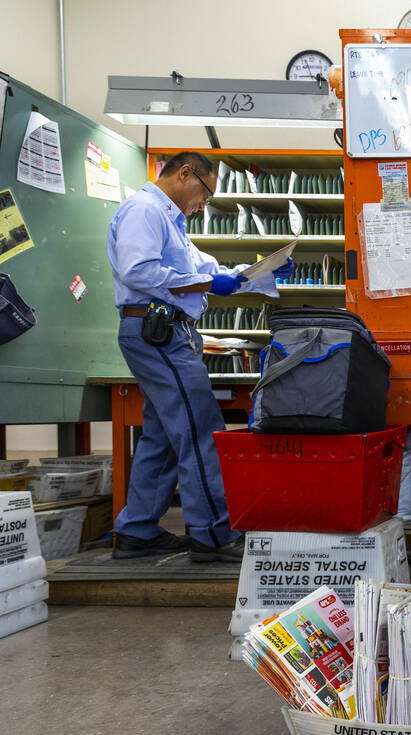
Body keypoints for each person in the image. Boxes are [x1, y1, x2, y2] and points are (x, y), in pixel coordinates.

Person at [107, 152, 294, 562]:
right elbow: (138, 270)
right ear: (185, 173)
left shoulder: (171, 222)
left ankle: (137, 530)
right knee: (199, 429)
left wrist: (259, 273)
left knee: (164, 436)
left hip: (166, 331)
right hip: (158, 332)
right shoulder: (144, 210)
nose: (203, 205)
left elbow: (208, 269)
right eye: (205, 194)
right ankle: (214, 535)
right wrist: (211, 281)